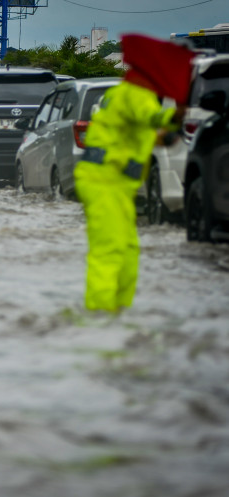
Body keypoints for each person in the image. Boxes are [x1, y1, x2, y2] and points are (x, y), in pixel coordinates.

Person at [74, 34, 194, 313]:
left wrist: (169, 132)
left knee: (128, 250)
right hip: (104, 181)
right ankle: (99, 315)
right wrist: (174, 115)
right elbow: (153, 118)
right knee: (111, 250)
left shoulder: (126, 94)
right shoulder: (136, 95)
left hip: (115, 184)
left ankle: (118, 312)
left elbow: (145, 133)